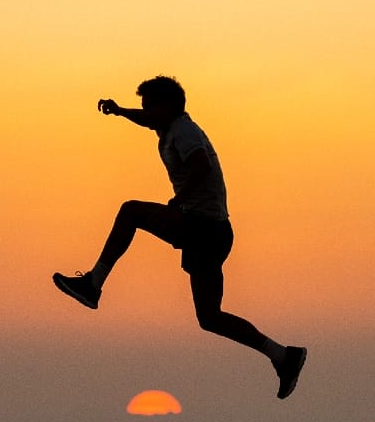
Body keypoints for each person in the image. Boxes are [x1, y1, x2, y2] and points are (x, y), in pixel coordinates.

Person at [52, 76, 307, 399]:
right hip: (213, 232)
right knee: (210, 317)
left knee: (131, 211)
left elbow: (200, 164)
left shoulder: (184, 131)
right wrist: (120, 111)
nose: (146, 115)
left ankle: (93, 284)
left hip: (202, 226)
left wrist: (180, 198)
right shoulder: (172, 126)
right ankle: (283, 356)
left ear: (168, 107)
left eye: (150, 108)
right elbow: (148, 121)